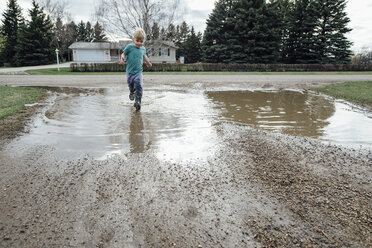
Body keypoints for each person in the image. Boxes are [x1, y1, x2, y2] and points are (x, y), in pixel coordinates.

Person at [120, 28, 152, 111]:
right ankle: (131, 92)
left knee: (139, 85)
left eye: (141, 41)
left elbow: (145, 56)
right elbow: (123, 54)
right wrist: (122, 59)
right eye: (137, 40)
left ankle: (138, 101)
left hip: (138, 72)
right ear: (133, 39)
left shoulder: (143, 49)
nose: (139, 43)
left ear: (143, 41)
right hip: (130, 72)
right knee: (131, 85)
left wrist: (148, 62)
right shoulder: (130, 47)